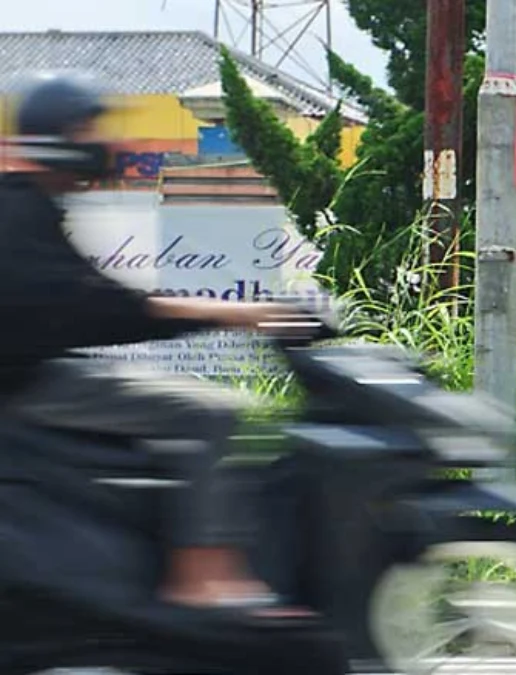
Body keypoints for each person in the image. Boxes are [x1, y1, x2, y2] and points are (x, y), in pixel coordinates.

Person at [0, 70, 310, 617]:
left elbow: (96, 303)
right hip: (26, 385)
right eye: (86, 131)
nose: (105, 144)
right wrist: (239, 314)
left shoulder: (30, 203)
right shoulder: (20, 209)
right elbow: (108, 309)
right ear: (56, 140)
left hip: (33, 373)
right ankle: (202, 575)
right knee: (214, 412)